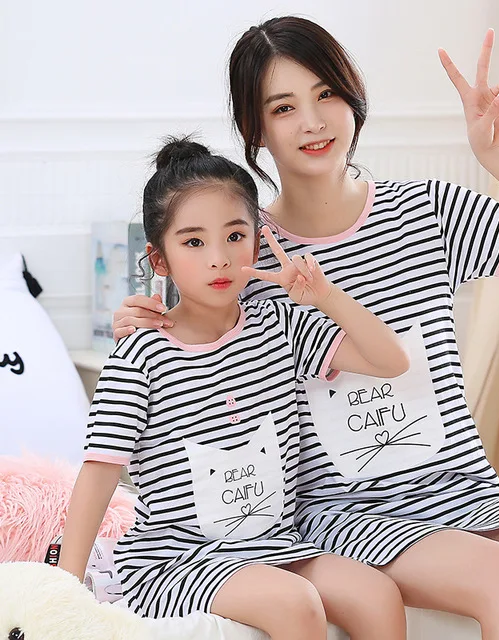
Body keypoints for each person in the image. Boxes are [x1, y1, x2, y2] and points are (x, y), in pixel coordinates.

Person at [112, 18, 499, 640]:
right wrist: (137, 318)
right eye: (283, 107)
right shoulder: (243, 251)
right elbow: (187, 340)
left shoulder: (426, 210)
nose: (313, 122)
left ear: (352, 97)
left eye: (326, 93)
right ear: (255, 129)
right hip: (344, 512)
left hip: (463, 485)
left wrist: (495, 154)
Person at [59, 137, 410, 640]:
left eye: (235, 235)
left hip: (276, 545)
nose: (219, 259)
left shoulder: (280, 325)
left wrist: (324, 295)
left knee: (377, 595)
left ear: (258, 242)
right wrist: (66, 587)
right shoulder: (140, 354)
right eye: (194, 242)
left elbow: (391, 361)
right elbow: (100, 472)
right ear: (159, 260)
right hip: (178, 561)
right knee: (296, 604)